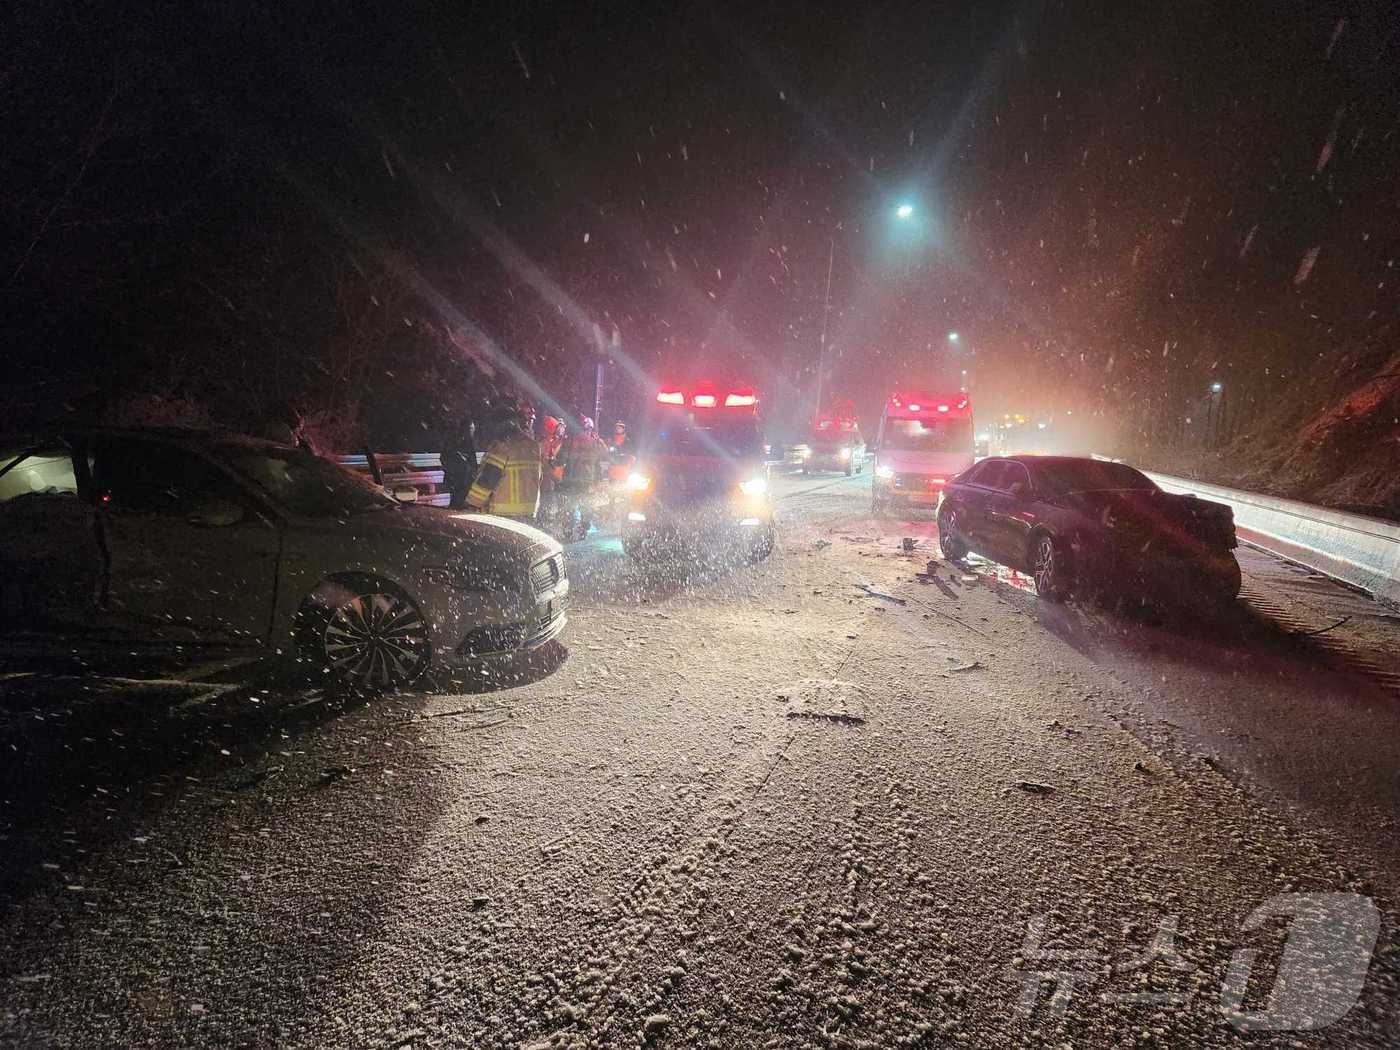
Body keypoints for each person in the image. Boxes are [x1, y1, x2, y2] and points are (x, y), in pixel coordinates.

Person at [465, 403, 542, 521]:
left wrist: (472, 504)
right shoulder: (533, 446)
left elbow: (487, 480)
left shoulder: (502, 447)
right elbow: (539, 478)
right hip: (529, 512)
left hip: (503, 514)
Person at [441, 418, 478, 510]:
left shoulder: (470, 441)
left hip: (465, 479)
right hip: (456, 478)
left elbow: (473, 459)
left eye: (473, 429)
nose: (472, 431)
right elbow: (444, 457)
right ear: (464, 429)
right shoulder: (453, 441)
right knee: (456, 499)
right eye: (470, 429)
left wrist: (474, 471)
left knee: (461, 500)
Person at [562, 415, 611, 485]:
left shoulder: (595, 441)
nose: (587, 432)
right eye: (585, 429)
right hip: (577, 474)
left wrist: (599, 441)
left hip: (589, 474)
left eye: (589, 429)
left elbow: (605, 452)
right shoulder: (576, 439)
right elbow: (570, 454)